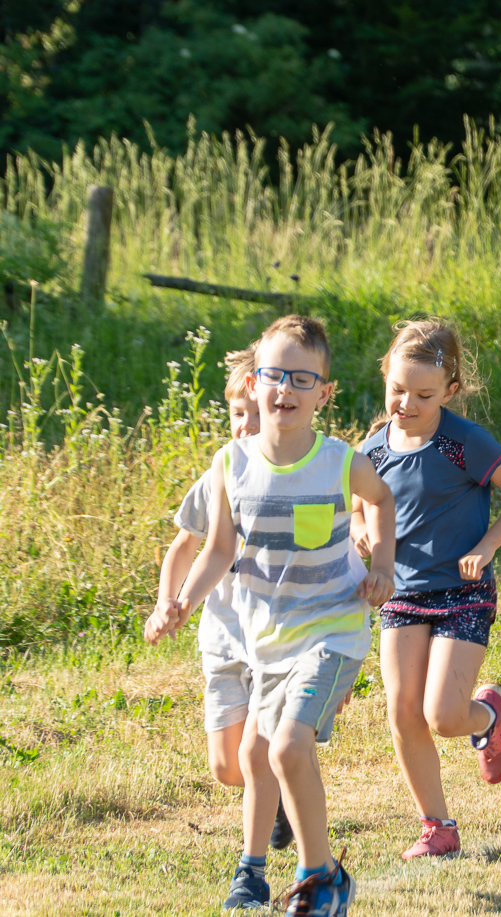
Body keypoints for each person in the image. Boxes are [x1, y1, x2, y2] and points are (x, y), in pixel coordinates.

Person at [151, 315, 397, 916]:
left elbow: (382, 499)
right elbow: (217, 551)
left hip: (334, 631)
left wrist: (383, 565)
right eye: (272, 375)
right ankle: (304, 870)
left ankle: (322, 876)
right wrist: (183, 599)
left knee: (287, 748)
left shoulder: (339, 461)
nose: (284, 389)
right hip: (265, 643)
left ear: (324, 392)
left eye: (300, 378)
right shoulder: (230, 464)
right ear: (253, 382)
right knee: (256, 758)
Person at [356, 320, 501, 859]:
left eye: (423, 394)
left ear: (450, 391)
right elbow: (358, 505)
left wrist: (488, 546)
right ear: (385, 377)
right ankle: (437, 827)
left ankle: (487, 716)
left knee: (443, 715)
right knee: (402, 712)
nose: (406, 403)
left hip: (463, 592)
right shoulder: (371, 451)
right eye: (397, 389)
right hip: (402, 592)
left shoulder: (464, 443)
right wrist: (361, 530)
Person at [144, 341, 294, 910]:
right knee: (227, 768)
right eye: (238, 414)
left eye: (255, 415)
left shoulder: (294, 479)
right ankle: (276, 799)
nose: (245, 425)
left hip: (276, 641)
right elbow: (185, 549)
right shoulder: (220, 475)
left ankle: (251, 872)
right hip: (222, 639)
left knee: (257, 754)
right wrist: (168, 603)